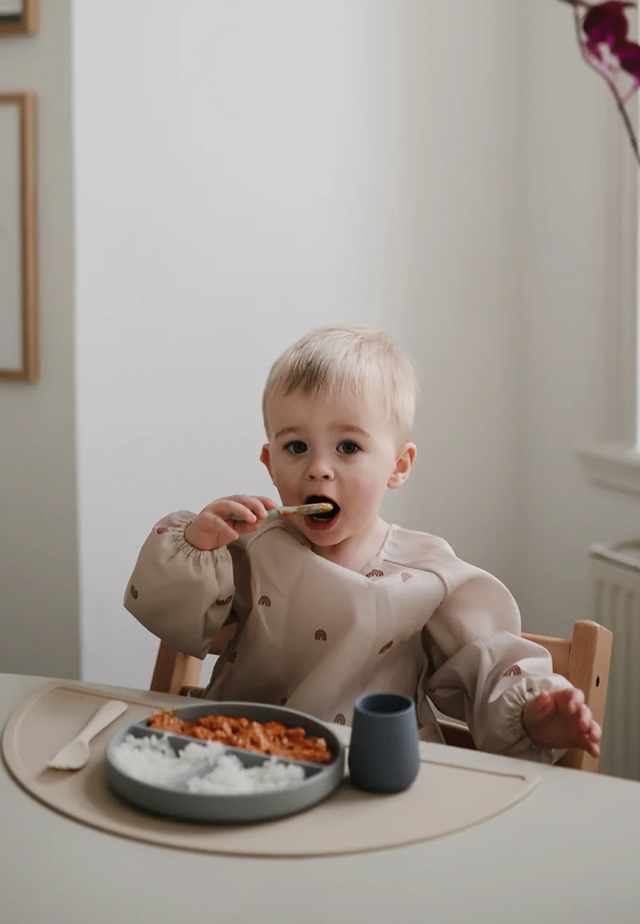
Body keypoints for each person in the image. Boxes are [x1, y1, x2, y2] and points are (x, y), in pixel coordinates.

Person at [125, 325, 601, 763]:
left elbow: (489, 664)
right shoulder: (253, 547)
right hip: (242, 759)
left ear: (398, 465)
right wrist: (198, 544)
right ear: (269, 464)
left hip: (371, 772)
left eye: (348, 447)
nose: (318, 469)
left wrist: (532, 712)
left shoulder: (427, 575)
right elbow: (171, 616)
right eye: (296, 447)